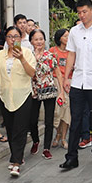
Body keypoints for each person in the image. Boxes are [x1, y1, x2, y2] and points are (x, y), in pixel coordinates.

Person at [60, 0, 92, 170]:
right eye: (79, 12)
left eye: (84, 12)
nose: (81, 15)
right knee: (76, 119)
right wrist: (67, 77)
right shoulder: (74, 31)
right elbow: (71, 55)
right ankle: (71, 157)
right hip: (78, 82)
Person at [0, 26, 37, 176]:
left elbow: (32, 73)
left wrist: (21, 59)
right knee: (11, 130)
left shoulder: (27, 53)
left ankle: (16, 162)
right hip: (5, 96)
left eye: (16, 37)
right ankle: (17, 156)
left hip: (23, 95)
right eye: (10, 37)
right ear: (6, 39)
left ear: (20, 38)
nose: (13, 40)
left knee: (20, 129)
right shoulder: (0, 54)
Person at [28, 29, 64, 159]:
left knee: (49, 120)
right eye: (36, 39)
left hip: (49, 89)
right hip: (33, 91)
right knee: (32, 120)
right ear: (31, 41)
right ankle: (36, 140)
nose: (39, 42)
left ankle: (47, 148)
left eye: (41, 39)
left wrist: (61, 92)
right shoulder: (28, 55)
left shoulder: (50, 55)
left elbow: (58, 72)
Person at [50, 29, 70, 149]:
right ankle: (57, 134)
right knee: (58, 109)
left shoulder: (72, 52)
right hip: (56, 81)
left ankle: (63, 137)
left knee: (66, 109)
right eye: (65, 36)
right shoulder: (53, 51)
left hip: (68, 82)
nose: (68, 38)